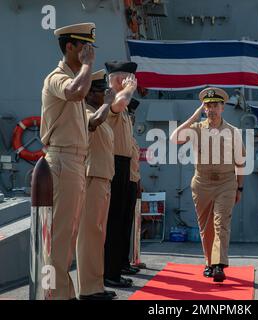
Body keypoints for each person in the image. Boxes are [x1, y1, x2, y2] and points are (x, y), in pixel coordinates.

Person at [40, 22, 96, 300]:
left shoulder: (77, 78)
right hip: (62, 161)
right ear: (70, 46)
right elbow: (75, 92)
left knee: (67, 237)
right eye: (84, 46)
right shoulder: (57, 77)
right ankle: (56, 296)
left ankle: (63, 293)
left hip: (75, 162)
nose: (90, 51)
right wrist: (86, 66)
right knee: (60, 239)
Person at [170, 87, 246, 282]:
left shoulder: (233, 132)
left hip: (226, 183)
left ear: (223, 108)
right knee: (206, 227)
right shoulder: (196, 129)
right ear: (204, 108)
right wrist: (193, 117)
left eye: (215, 105)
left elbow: (240, 162)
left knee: (221, 223)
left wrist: (240, 187)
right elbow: (174, 139)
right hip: (202, 183)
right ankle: (209, 262)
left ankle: (219, 265)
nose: (211, 109)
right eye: (208, 106)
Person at [76, 70, 117, 300]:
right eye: (102, 92)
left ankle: (96, 285)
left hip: (103, 178)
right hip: (91, 179)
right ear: (90, 94)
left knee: (97, 235)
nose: (105, 96)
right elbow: (93, 123)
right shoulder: (84, 111)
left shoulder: (98, 111)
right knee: (89, 235)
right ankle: (88, 289)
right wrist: (109, 104)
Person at [103, 61, 138, 288]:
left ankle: (116, 269)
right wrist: (127, 89)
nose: (131, 81)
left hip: (124, 166)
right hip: (112, 164)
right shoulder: (111, 98)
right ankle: (109, 273)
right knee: (113, 222)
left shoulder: (123, 104)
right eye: (127, 77)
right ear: (117, 78)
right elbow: (118, 104)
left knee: (121, 220)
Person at [121, 100, 141, 276]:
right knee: (119, 225)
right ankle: (118, 263)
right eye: (129, 115)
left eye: (132, 116)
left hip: (132, 182)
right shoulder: (122, 139)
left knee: (127, 225)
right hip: (123, 182)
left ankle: (124, 261)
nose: (132, 119)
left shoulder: (131, 139)